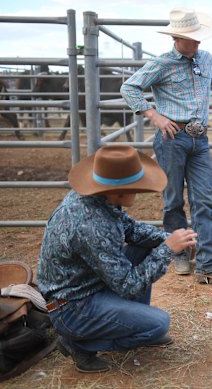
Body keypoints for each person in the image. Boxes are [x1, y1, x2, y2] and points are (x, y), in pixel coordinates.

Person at [37, 145, 198, 373]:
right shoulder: (90, 225)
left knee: (145, 246)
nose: (139, 193)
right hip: (74, 307)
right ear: (119, 191)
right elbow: (129, 286)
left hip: (86, 287)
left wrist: (170, 239)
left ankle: (131, 323)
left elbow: (129, 228)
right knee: (158, 324)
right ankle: (79, 345)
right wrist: (168, 249)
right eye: (136, 188)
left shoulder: (97, 200)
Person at [121, 8, 212, 285]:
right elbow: (129, 88)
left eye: (198, 38)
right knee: (173, 200)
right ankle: (180, 252)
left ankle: (209, 264)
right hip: (172, 137)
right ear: (176, 38)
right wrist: (154, 115)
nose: (197, 43)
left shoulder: (205, 58)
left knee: (204, 201)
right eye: (192, 39)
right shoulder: (162, 64)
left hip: (199, 139)